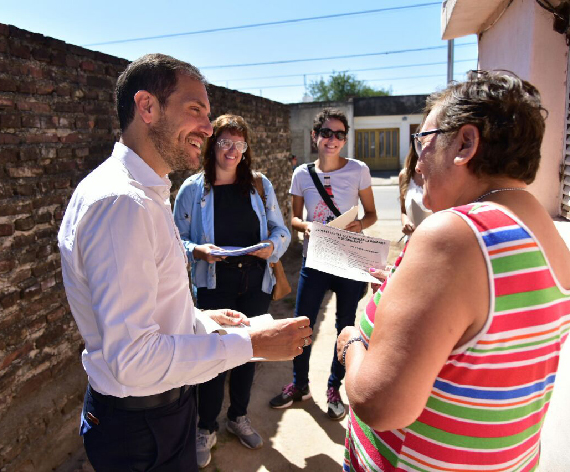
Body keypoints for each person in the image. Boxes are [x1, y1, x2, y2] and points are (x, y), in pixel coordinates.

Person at [57, 54, 313, 472]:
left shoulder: (143, 193)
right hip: (142, 425)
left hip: (155, 414)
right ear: (148, 107)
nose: (209, 129)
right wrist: (253, 345)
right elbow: (135, 358)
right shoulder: (124, 203)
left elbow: (148, 305)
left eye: (208, 115)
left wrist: (201, 319)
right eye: (195, 110)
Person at [337, 70, 570, 471]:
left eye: (423, 143)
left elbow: (378, 404)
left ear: (465, 143)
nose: (417, 167)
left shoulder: (457, 234)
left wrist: (350, 345)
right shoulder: (546, 234)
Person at [173, 114, 291, 468]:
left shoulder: (259, 185)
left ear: (246, 148)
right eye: (225, 142)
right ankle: (204, 427)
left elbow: (279, 230)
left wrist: (271, 247)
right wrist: (198, 251)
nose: (232, 150)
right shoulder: (193, 189)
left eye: (239, 144)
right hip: (214, 284)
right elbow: (174, 238)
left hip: (255, 282)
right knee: (213, 359)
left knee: (249, 354)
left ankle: (238, 416)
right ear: (214, 145)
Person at [269, 108, 378, 421]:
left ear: (345, 139)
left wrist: (360, 225)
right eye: (326, 133)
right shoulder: (302, 174)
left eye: (339, 134)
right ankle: (299, 385)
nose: (332, 139)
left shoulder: (359, 170)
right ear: (315, 136)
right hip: (314, 259)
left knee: (344, 325)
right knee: (302, 323)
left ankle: (334, 388)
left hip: (349, 261)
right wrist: (306, 227)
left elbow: (371, 214)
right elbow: (293, 218)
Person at [398, 145, 431, 241]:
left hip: (437, 244)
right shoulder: (405, 175)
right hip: (412, 243)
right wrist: (406, 223)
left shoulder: (445, 175)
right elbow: (403, 211)